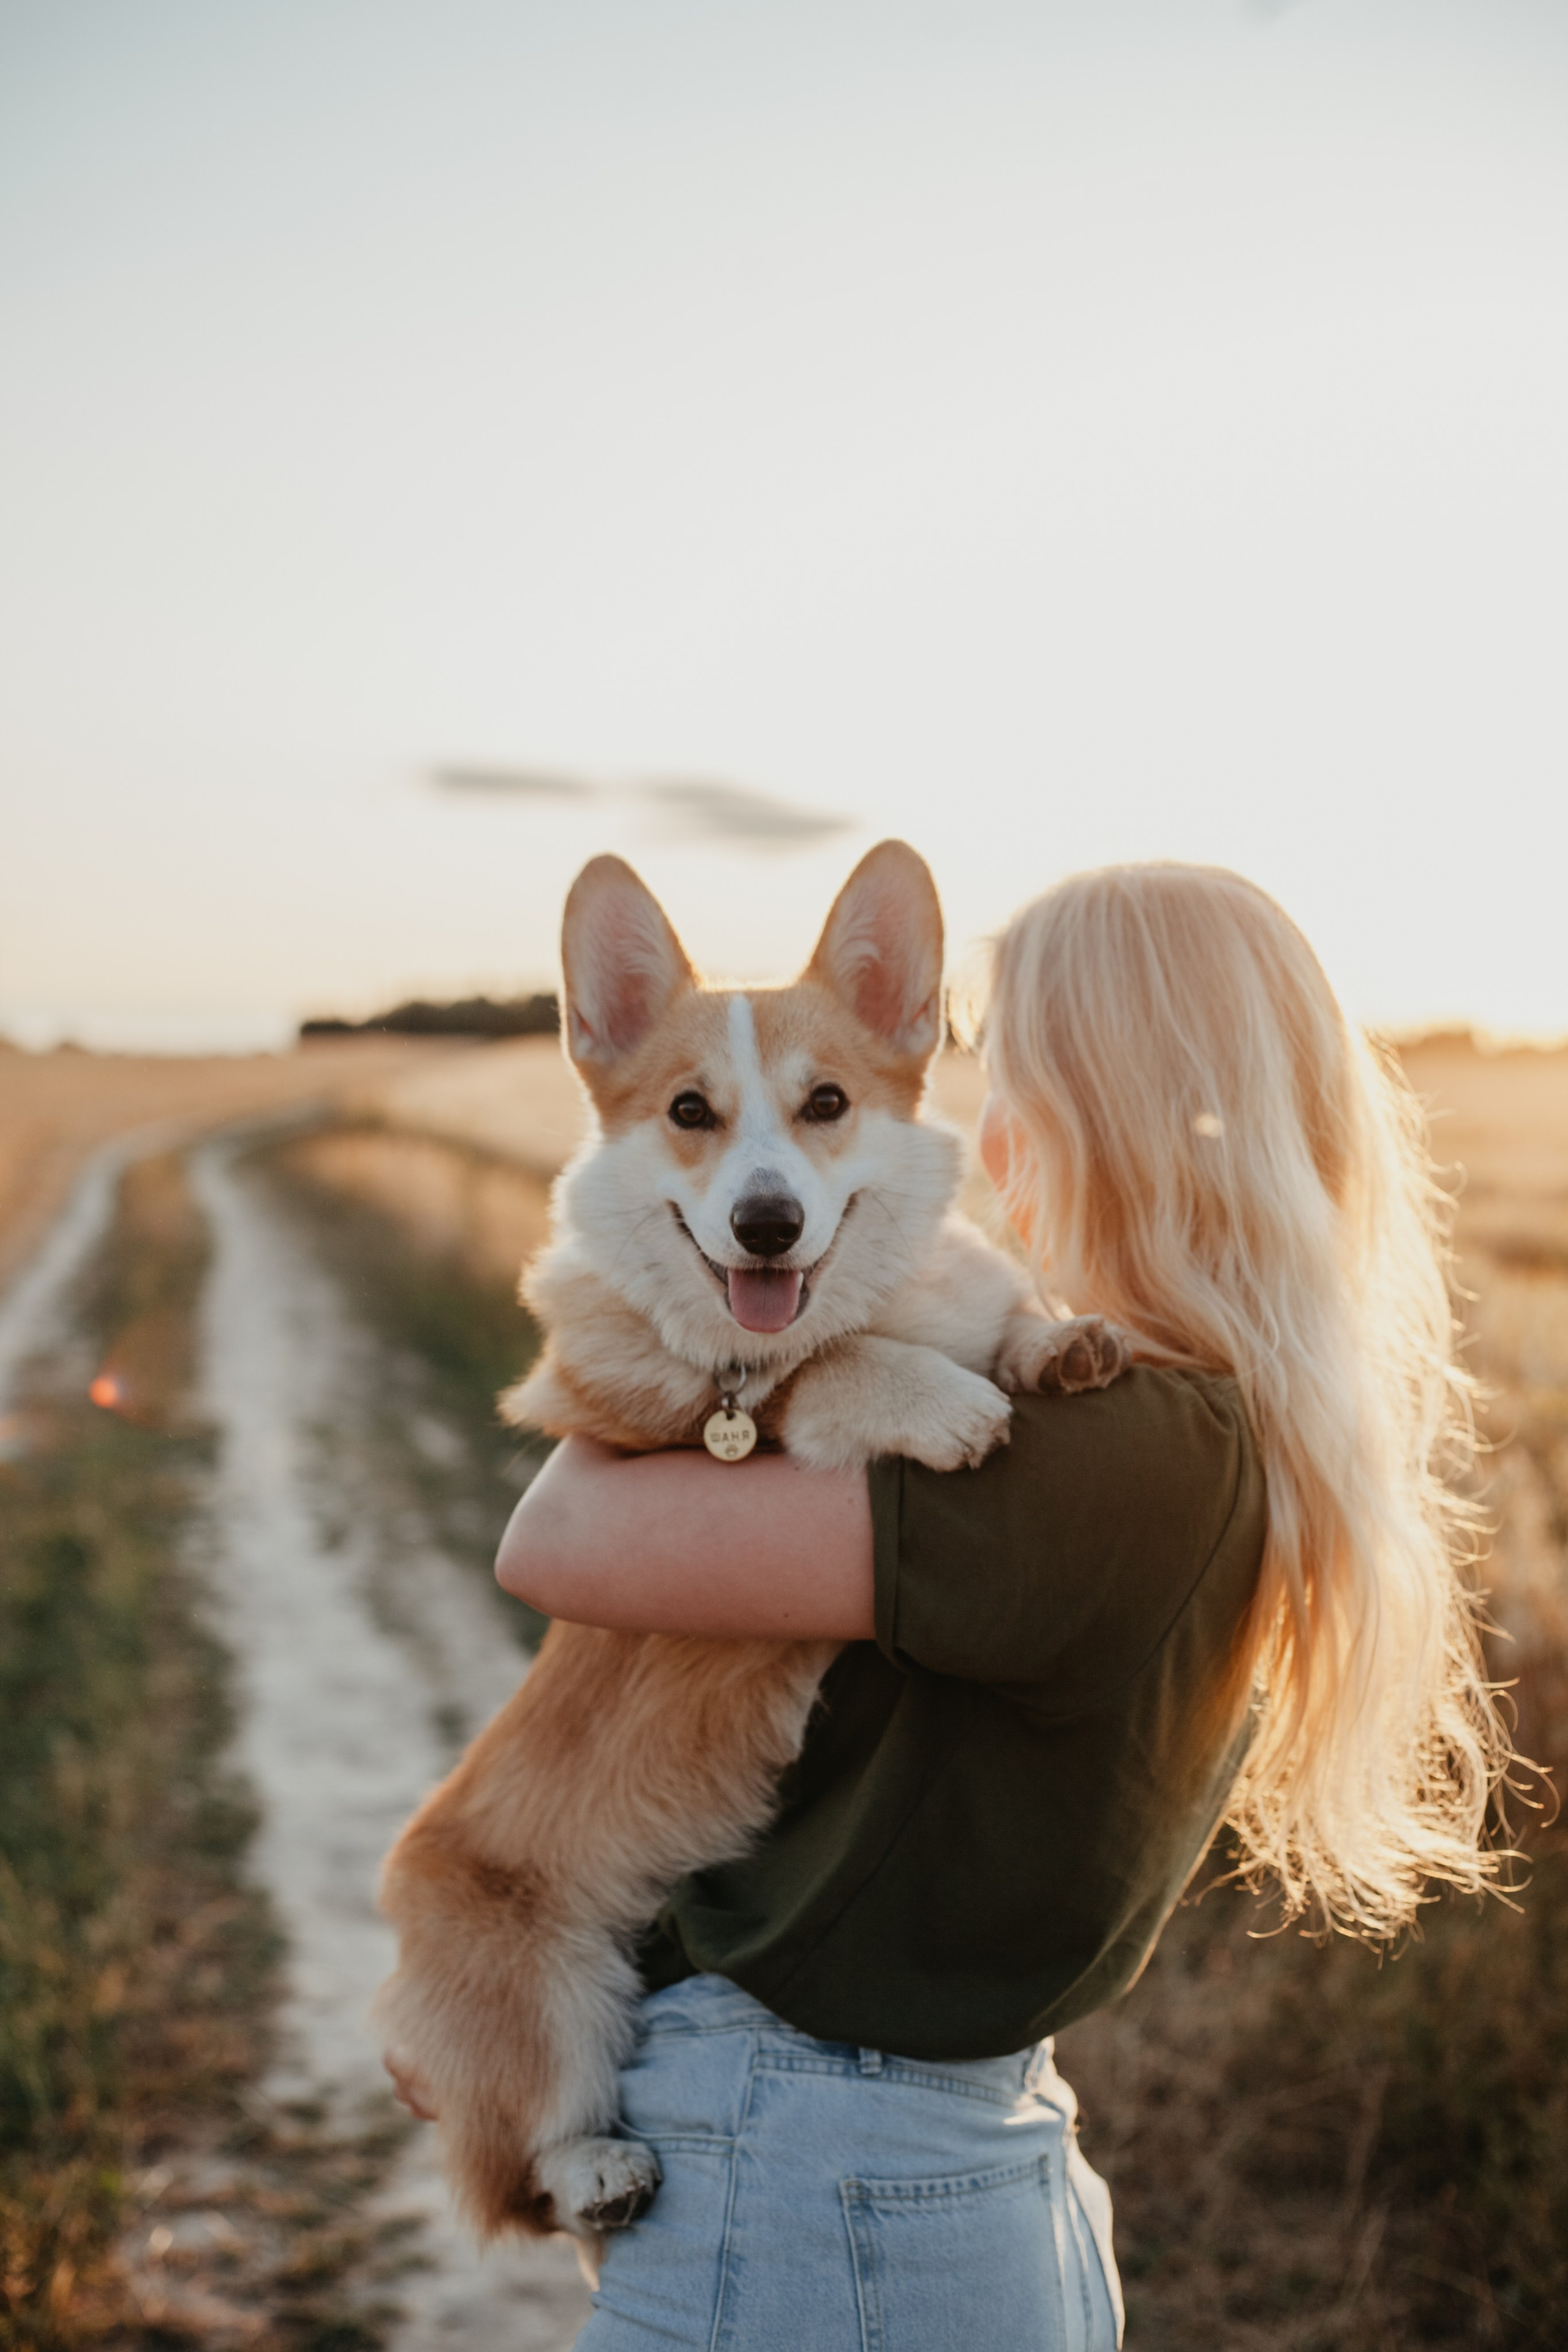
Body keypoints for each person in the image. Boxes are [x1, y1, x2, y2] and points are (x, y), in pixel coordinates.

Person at [454, 864, 1511, 2350]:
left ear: (1108, 1115)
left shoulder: (1111, 1450)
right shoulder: (1179, 1423)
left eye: (1002, 1073)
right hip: (930, 2187)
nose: (970, 1127)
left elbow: (564, 1531)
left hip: (819, 2190)